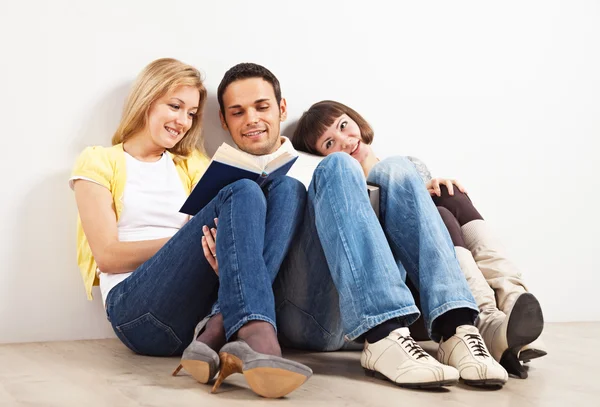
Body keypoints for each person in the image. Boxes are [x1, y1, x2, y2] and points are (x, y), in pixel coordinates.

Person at [69, 58, 311, 399]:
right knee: (242, 191)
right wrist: (191, 243)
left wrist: (225, 250)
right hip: (136, 313)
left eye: (192, 113)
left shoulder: (192, 164)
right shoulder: (99, 161)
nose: (183, 121)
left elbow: (231, 226)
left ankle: (215, 329)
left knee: (287, 190)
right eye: (175, 106)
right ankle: (254, 331)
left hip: (192, 313)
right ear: (147, 100)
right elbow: (107, 256)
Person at [288, 99, 546, 379]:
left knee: (406, 173)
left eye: (343, 126)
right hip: (335, 317)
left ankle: (462, 326)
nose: (344, 140)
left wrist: (420, 194)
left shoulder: (402, 171)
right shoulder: (330, 175)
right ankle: (476, 321)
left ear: (355, 120)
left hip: (412, 313)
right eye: (329, 143)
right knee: (344, 167)